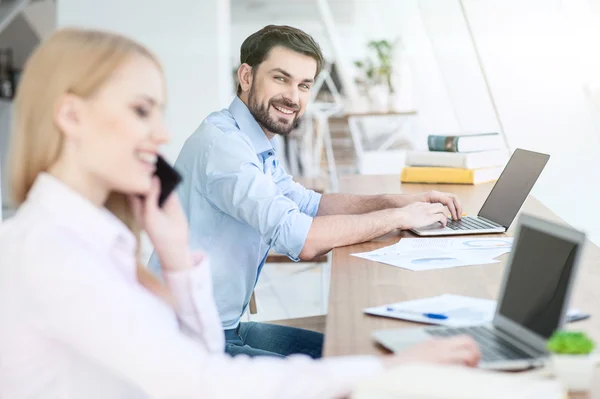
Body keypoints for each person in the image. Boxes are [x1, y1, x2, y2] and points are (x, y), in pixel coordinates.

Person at [0, 27, 480, 399]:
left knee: (359, 354)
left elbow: (197, 352)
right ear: (71, 117)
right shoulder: (50, 254)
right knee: (371, 369)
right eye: (142, 110)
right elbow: (204, 381)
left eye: (305, 85)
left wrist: (175, 257)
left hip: (214, 340)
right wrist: (386, 369)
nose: (163, 134)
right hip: (212, 361)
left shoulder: (93, 234)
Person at [149, 24, 463, 358]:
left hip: (225, 326)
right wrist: (398, 217)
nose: (293, 97)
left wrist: (397, 201)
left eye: (304, 85)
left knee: (354, 354)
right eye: (280, 78)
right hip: (191, 341)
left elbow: (308, 203)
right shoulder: (224, 147)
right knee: (351, 373)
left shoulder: (252, 141)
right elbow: (303, 238)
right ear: (246, 76)